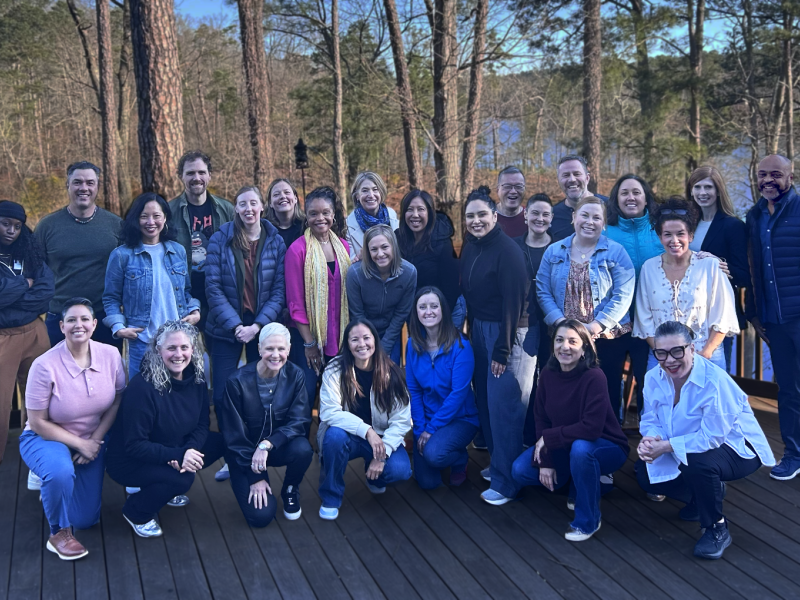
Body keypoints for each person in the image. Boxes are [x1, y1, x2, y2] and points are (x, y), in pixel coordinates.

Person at [635, 321, 775, 559]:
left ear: (691, 348)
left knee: (698, 464)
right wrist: (650, 439)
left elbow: (712, 438)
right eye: (661, 353)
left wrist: (666, 446)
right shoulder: (652, 377)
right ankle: (705, 495)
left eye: (677, 351)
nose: (669, 360)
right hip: (687, 442)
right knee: (644, 472)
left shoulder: (714, 381)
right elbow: (650, 417)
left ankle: (716, 527)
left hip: (737, 448)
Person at [20, 298, 125, 560]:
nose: (78, 325)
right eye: (71, 320)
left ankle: (56, 490)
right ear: (62, 326)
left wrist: (95, 441)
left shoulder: (110, 355)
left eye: (84, 319)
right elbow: (38, 422)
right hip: (46, 437)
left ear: (94, 324)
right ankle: (58, 533)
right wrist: (81, 445)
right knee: (59, 471)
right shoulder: (44, 365)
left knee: (86, 519)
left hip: (91, 438)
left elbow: (117, 400)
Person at [511, 320, 629, 542]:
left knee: (582, 449)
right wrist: (545, 462)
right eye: (559, 340)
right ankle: (576, 480)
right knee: (520, 471)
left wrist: (548, 438)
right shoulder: (547, 373)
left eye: (573, 341)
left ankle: (588, 521)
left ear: (585, 348)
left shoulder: (595, 377)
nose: (565, 346)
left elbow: (591, 428)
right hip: (564, 445)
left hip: (605, 445)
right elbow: (541, 418)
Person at [106, 320, 224, 537]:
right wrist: (178, 454)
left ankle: (162, 487)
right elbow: (134, 446)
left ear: (192, 349)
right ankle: (136, 511)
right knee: (182, 479)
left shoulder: (196, 379)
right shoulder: (142, 388)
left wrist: (188, 451)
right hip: (130, 460)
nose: (178, 354)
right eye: (171, 348)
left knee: (221, 442)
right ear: (159, 351)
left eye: (184, 347)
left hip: (172, 446)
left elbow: (201, 424)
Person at [459, 187, 533, 506]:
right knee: (487, 400)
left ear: (494, 215)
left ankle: (508, 482)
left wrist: (502, 350)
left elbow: (513, 304)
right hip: (480, 328)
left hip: (510, 331)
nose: (476, 221)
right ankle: (499, 464)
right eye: (470, 216)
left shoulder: (508, 251)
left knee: (505, 405)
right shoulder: (471, 246)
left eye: (481, 215)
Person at [536, 196, 635, 421]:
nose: (590, 222)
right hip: (565, 339)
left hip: (605, 337)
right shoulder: (553, 252)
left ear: (604, 224)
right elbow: (542, 290)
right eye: (585, 215)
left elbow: (624, 294)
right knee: (567, 393)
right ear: (574, 218)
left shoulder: (616, 252)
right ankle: (566, 438)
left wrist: (596, 326)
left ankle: (607, 440)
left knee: (607, 391)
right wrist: (561, 324)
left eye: (597, 217)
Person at [218, 323, 313, 525]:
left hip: (273, 448)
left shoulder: (296, 375)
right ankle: (243, 476)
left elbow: (299, 421)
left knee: (303, 449)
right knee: (260, 517)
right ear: (259, 349)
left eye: (281, 349)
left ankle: (290, 489)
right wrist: (255, 476)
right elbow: (233, 436)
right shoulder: (236, 381)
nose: (275, 354)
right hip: (244, 456)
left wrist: (267, 444)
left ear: (288, 350)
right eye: (269, 348)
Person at [317, 319, 412, 520]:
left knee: (400, 470)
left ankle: (375, 478)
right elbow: (328, 412)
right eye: (355, 339)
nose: (362, 344)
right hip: (347, 436)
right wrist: (366, 431)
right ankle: (331, 497)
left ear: (375, 341)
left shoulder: (390, 371)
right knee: (333, 437)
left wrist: (382, 454)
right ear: (347, 344)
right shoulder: (335, 369)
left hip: (380, 439)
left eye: (366, 338)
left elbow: (402, 420)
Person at [634, 197, 739, 372]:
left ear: (690, 235)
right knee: (663, 400)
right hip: (662, 358)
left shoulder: (710, 266)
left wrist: (705, 353)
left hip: (707, 355)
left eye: (680, 233)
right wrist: (666, 354)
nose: (674, 240)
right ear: (660, 237)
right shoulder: (649, 268)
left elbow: (724, 315)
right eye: (667, 234)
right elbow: (644, 319)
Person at [103, 193, 200, 379]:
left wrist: (195, 311)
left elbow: (186, 291)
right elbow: (111, 298)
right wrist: (118, 326)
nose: (150, 222)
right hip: (142, 341)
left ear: (165, 218)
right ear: (135, 219)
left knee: (176, 398)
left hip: (177, 342)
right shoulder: (121, 255)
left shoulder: (177, 251)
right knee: (143, 398)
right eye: (144, 216)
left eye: (156, 216)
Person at [204, 186, 286, 408]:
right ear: (236, 209)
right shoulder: (220, 239)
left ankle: (258, 439)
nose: (248, 208)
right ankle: (229, 442)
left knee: (261, 392)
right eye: (242, 204)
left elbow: (279, 291)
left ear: (262, 206)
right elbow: (213, 288)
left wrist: (257, 326)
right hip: (226, 327)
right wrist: (236, 326)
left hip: (262, 328)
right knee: (222, 394)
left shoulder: (275, 241)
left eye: (253, 203)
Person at [745, 154, 800, 480]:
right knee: (789, 390)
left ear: (790, 176)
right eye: (763, 174)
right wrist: (753, 311)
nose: (768, 180)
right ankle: (793, 454)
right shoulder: (753, 217)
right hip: (775, 320)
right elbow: (752, 268)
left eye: (775, 175)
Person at [34, 161, 122, 348]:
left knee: (105, 375)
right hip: (60, 318)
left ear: (97, 186)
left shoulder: (115, 225)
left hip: (103, 317)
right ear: (68, 185)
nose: (84, 188)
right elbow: (34, 272)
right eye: (77, 182)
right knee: (58, 376)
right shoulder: (47, 226)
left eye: (90, 183)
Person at [602, 174, 664, 421]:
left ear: (646, 198)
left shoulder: (659, 228)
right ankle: (609, 438)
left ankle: (650, 446)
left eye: (636, 192)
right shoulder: (606, 230)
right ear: (616, 200)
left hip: (650, 323)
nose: (631, 197)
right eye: (624, 193)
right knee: (608, 381)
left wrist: (707, 258)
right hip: (613, 322)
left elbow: (682, 250)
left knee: (649, 384)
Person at [406, 287, 479, 489]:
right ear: (416, 312)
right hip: (428, 419)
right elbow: (415, 391)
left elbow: (458, 395)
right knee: (428, 483)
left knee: (433, 455)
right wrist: (420, 429)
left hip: (460, 419)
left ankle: (459, 459)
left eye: (433, 306)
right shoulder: (412, 345)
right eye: (422, 307)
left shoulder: (461, 347)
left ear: (443, 310)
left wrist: (431, 429)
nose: (428, 312)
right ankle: (438, 449)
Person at [285, 186, 351, 403]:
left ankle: (330, 436)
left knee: (336, 395)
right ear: (306, 216)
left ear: (333, 214)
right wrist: (309, 344)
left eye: (325, 212)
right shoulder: (298, 250)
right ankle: (303, 437)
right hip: (308, 337)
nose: (319, 218)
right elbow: (295, 303)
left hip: (339, 336)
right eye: (313, 213)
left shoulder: (343, 247)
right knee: (306, 394)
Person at [0, 201, 53, 463]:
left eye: (17, 226)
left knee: (40, 397)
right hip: (2, 336)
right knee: (1, 404)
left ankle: (36, 454)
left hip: (34, 332)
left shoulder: (29, 252)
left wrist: (9, 294)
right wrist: (24, 284)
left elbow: (45, 293)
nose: (11, 230)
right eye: (5, 224)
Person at [686, 166, 750, 372]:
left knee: (715, 379)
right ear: (691, 190)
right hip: (685, 312)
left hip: (716, 317)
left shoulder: (733, 226)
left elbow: (744, 275)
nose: (702, 193)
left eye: (708, 187)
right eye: (697, 187)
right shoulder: (687, 224)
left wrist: (721, 266)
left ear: (719, 191)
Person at [168, 151, 235, 331]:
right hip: (183, 293)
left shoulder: (226, 209)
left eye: (201, 172)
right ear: (181, 176)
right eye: (190, 173)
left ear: (209, 176)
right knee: (183, 351)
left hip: (219, 291)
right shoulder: (169, 211)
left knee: (218, 352)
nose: (196, 178)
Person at [514, 194, 554, 446]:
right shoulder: (513, 247)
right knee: (524, 385)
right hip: (523, 325)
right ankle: (526, 438)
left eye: (545, 214)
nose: (540, 218)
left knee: (548, 381)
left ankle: (546, 436)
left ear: (551, 219)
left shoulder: (560, 247)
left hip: (553, 325)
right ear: (525, 215)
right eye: (535, 213)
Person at [346, 224, 416, 364]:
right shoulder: (355, 274)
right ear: (367, 251)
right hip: (362, 333)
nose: (380, 254)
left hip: (390, 331)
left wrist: (384, 348)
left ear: (393, 247)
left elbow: (401, 313)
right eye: (374, 249)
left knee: (388, 375)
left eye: (385, 247)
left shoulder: (409, 273)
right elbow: (357, 314)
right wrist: (367, 344)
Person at [395, 189, 461, 320]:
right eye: (410, 209)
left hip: (445, 310)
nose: (415, 215)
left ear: (430, 213)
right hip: (416, 311)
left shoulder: (441, 242)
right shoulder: (398, 238)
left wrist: (438, 321)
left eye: (421, 209)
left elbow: (451, 288)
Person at [550, 155, 608, 242]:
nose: (572, 179)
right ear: (558, 181)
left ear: (587, 178)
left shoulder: (609, 207)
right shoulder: (552, 216)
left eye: (577, 174)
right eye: (566, 175)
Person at [345, 171, 399, 260]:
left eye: (375, 189)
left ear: (381, 193)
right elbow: (351, 264)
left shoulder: (392, 215)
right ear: (357, 196)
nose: (371, 195)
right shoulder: (347, 225)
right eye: (365, 190)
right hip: (366, 272)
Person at [266, 178, 305, 250]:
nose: (283, 196)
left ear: (295, 198)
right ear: (270, 203)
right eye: (276, 194)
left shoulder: (306, 226)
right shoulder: (264, 229)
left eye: (287, 192)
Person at [495, 166, 528, 238]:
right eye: (507, 186)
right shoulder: (486, 218)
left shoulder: (532, 217)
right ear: (498, 190)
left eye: (518, 186)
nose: (513, 191)